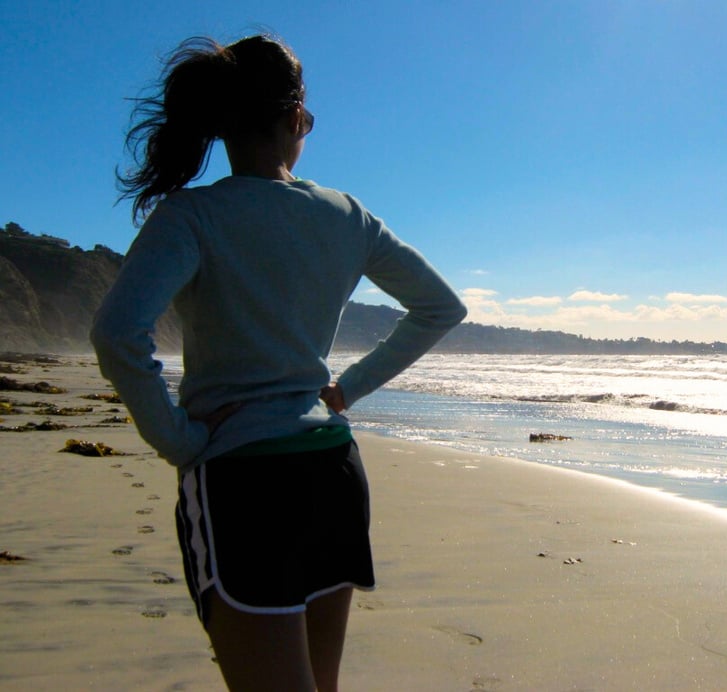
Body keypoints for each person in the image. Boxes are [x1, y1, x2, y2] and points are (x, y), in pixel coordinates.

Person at [91, 34, 466, 691]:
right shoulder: (346, 216)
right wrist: (348, 388)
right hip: (333, 471)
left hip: (242, 481)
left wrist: (178, 440)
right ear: (295, 119)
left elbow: (120, 332)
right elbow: (440, 307)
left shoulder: (193, 216)